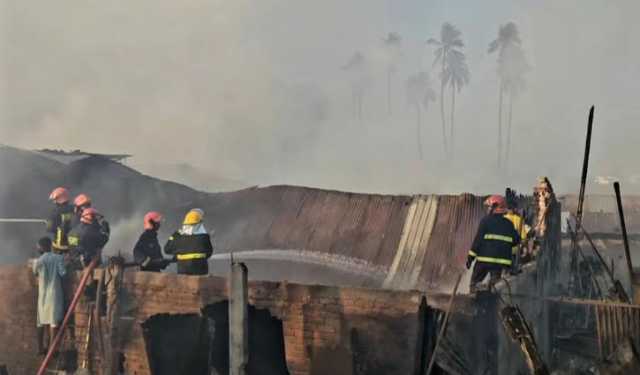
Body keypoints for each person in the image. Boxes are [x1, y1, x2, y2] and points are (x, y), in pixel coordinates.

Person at [466, 195, 521, 293]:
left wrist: (470, 258)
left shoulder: (485, 221)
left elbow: (477, 241)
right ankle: (491, 301)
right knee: (494, 287)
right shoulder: (509, 224)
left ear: (495, 207)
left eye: (489, 207)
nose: (488, 209)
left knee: (474, 284)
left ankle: (474, 297)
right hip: (500, 264)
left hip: (483, 261)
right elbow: (516, 240)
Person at [32, 237, 66, 355]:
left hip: (42, 295)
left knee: (40, 322)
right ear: (50, 246)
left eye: (38, 246)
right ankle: (52, 350)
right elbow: (63, 273)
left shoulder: (37, 261)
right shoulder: (58, 258)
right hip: (54, 295)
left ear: (42, 247)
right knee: (53, 323)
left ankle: (40, 349)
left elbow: (35, 273)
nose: (37, 248)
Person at [164, 208, 213, 275]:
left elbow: (167, 250)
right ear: (199, 224)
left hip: (183, 272)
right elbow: (209, 253)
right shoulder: (204, 237)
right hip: (200, 273)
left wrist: (174, 237)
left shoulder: (178, 237)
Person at [46, 187, 75, 253]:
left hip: (59, 245)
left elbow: (50, 229)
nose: (54, 201)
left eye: (55, 199)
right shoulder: (74, 209)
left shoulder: (55, 212)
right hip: (73, 244)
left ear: (58, 199)